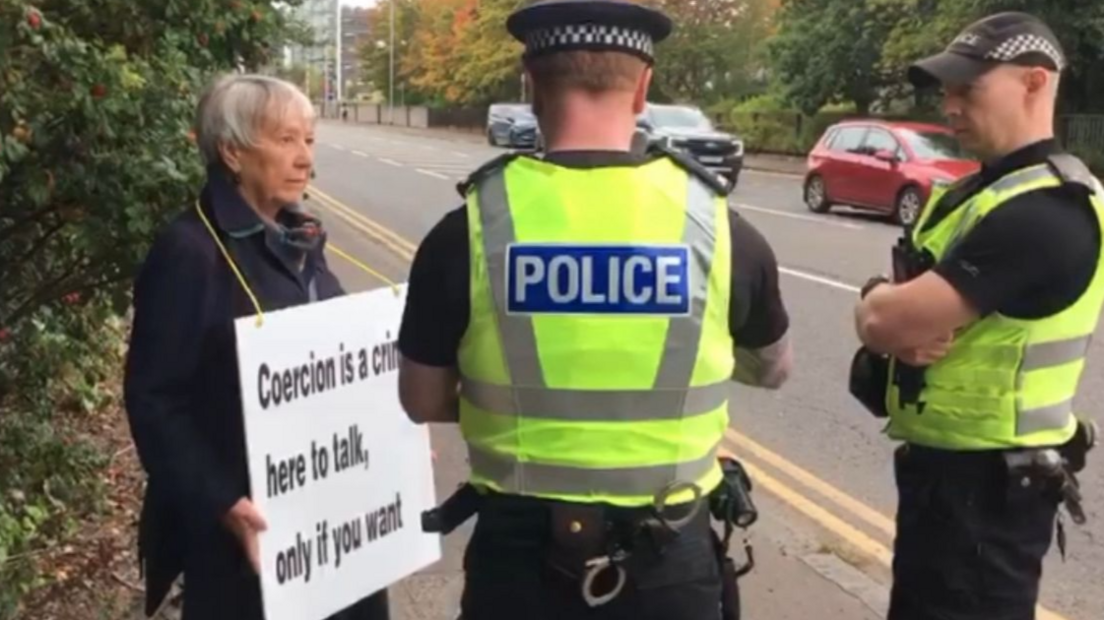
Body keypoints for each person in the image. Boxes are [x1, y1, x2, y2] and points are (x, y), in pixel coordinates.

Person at [397, 1, 793, 619]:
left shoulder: (470, 227)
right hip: (670, 559)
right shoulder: (718, 228)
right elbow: (771, 368)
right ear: (642, 88)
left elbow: (421, 399)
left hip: (520, 560)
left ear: (530, 84)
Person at [852, 12, 1101, 620]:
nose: (951, 106)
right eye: (947, 90)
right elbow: (898, 298)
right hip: (948, 485)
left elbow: (885, 322)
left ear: (1035, 82)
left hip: (987, 500)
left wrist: (879, 311)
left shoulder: (1045, 213)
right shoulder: (979, 191)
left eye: (969, 89)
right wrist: (885, 303)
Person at [124, 74, 390, 620]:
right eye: (286, 139)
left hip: (333, 527)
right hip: (247, 543)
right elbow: (155, 401)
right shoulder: (189, 253)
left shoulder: (300, 239)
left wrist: (390, 439)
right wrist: (224, 504)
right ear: (232, 152)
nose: (304, 159)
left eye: (309, 141)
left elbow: (338, 364)